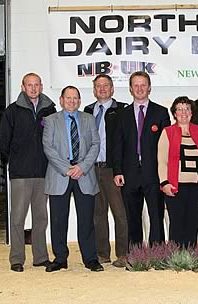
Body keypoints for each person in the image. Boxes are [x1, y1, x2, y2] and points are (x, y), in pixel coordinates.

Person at [0, 73, 56, 272]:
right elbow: (3, 142)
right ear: (23, 87)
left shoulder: (50, 110)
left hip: (43, 172)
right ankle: (16, 259)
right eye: (29, 85)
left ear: (41, 86)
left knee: (41, 217)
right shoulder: (12, 111)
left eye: (36, 84)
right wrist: (15, 160)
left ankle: (40, 257)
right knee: (17, 218)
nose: (33, 88)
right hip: (20, 174)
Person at [43, 85, 103, 272]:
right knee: (58, 219)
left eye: (75, 98)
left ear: (79, 100)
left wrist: (82, 167)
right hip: (60, 174)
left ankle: (90, 259)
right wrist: (67, 169)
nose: (71, 101)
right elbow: (48, 147)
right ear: (61, 100)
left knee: (86, 220)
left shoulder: (89, 119)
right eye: (68, 98)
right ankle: (60, 258)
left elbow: (95, 144)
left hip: (84, 174)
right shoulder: (51, 120)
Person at [113, 71, 171, 247]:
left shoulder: (161, 113)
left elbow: (166, 147)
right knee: (132, 217)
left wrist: (165, 174)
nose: (139, 89)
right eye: (136, 85)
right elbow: (117, 145)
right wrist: (117, 171)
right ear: (130, 89)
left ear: (149, 87)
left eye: (143, 85)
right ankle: (136, 255)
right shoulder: (122, 114)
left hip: (154, 174)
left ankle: (157, 254)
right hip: (129, 174)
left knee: (156, 216)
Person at [157, 96, 198, 248]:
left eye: (187, 109)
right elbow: (162, 161)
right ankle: (176, 258)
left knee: (193, 223)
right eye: (180, 109)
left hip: (197, 187)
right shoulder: (167, 132)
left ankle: (191, 257)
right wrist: (164, 183)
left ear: (191, 112)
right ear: (174, 113)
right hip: (175, 186)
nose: (183, 112)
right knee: (176, 224)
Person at [84, 74, 128, 267]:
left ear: (112, 89)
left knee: (120, 213)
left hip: (113, 169)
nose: (102, 89)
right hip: (92, 169)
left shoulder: (123, 110)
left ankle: (123, 254)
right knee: (98, 214)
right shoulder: (86, 111)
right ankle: (102, 254)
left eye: (106, 85)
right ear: (94, 90)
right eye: (98, 86)